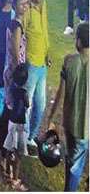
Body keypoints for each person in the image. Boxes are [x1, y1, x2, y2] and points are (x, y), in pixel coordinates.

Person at [46, 22, 88, 192]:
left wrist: (51, 118)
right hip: (87, 126)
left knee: (73, 166)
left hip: (72, 124)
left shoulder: (69, 62)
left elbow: (60, 94)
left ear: (79, 41)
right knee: (78, 163)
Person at [0, 0, 29, 168]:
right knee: (9, 113)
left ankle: (5, 151)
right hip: (14, 75)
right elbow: (16, 54)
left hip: (12, 73)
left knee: (8, 111)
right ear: (15, 5)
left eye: (26, 3)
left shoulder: (16, 23)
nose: (25, 6)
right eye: (22, 3)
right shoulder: (16, 26)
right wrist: (20, 76)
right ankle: (4, 153)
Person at [23, 0, 49, 148]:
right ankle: (23, 137)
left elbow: (45, 29)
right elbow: (22, 34)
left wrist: (48, 52)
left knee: (41, 103)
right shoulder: (26, 8)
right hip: (31, 62)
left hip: (43, 63)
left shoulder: (43, 4)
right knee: (28, 103)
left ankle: (31, 136)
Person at [2, 63, 29, 190]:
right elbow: (27, 105)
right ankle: (15, 179)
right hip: (20, 125)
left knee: (9, 148)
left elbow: (10, 103)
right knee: (18, 154)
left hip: (11, 122)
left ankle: (8, 171)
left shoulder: (12, 91)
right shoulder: (24, 93)